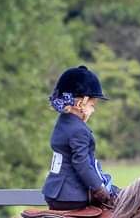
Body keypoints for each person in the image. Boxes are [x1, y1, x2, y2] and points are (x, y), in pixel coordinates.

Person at [42, 65, 115, 210]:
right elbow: (81, 164)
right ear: (81, 103)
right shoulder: (79, 130)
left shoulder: (62, 122)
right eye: (92, 105)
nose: (93, 110)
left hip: (55, 191)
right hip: (71, 196)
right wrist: (100, 190)